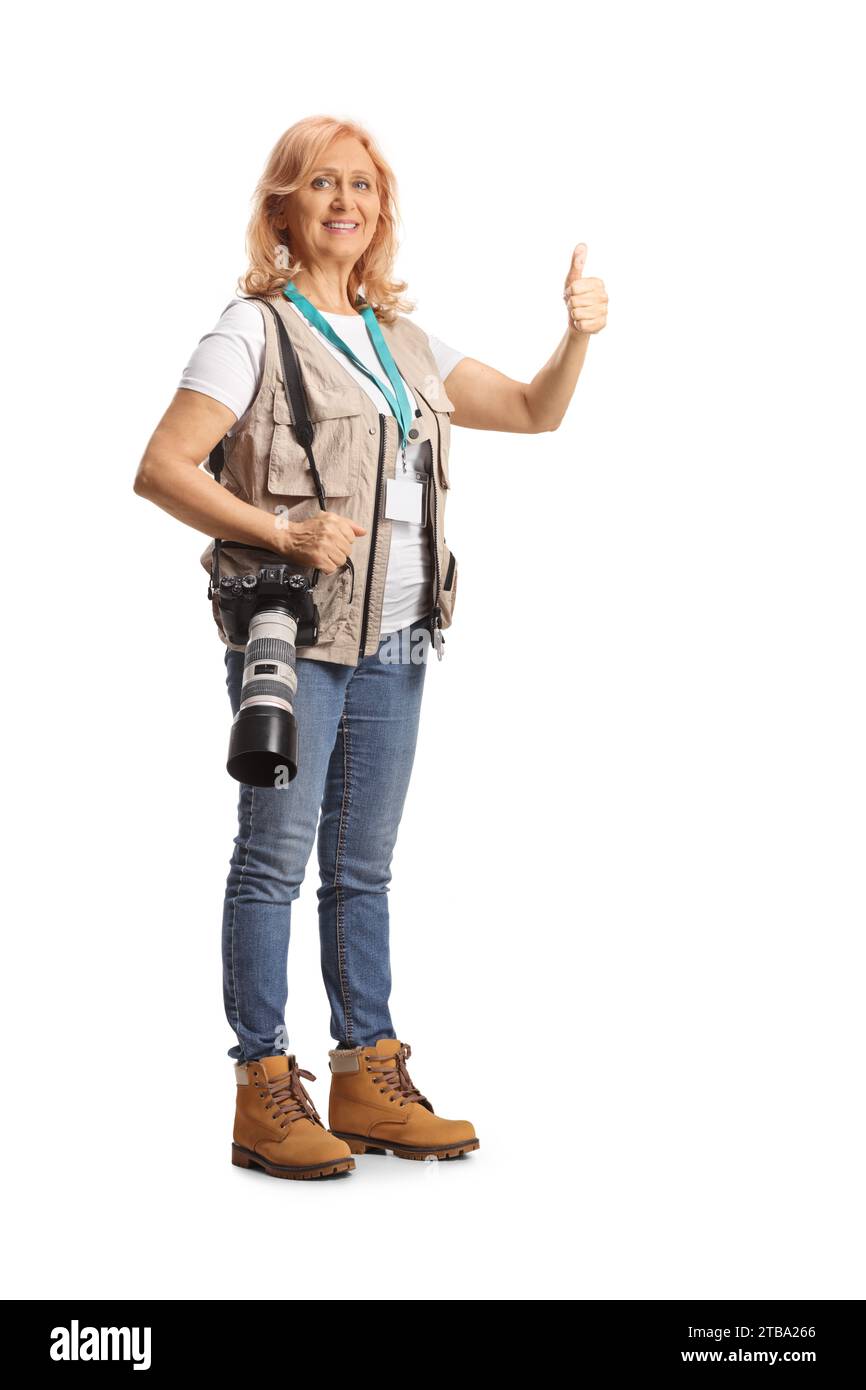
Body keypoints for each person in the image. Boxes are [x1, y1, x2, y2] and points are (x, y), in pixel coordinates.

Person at [133, 115, 608, 1181]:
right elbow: (164, 466)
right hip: (296, 640)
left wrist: (574, 337)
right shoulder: (249, 329)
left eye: (360, 184)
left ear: (379, 209)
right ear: (283, 209)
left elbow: (534, 412)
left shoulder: (403, 342)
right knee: (271, 864)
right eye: (319, 185)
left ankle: (365, 1074)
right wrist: (280, 530)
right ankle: (263, 1086)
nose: (343, 200)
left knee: (360, 870)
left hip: (397, 637)